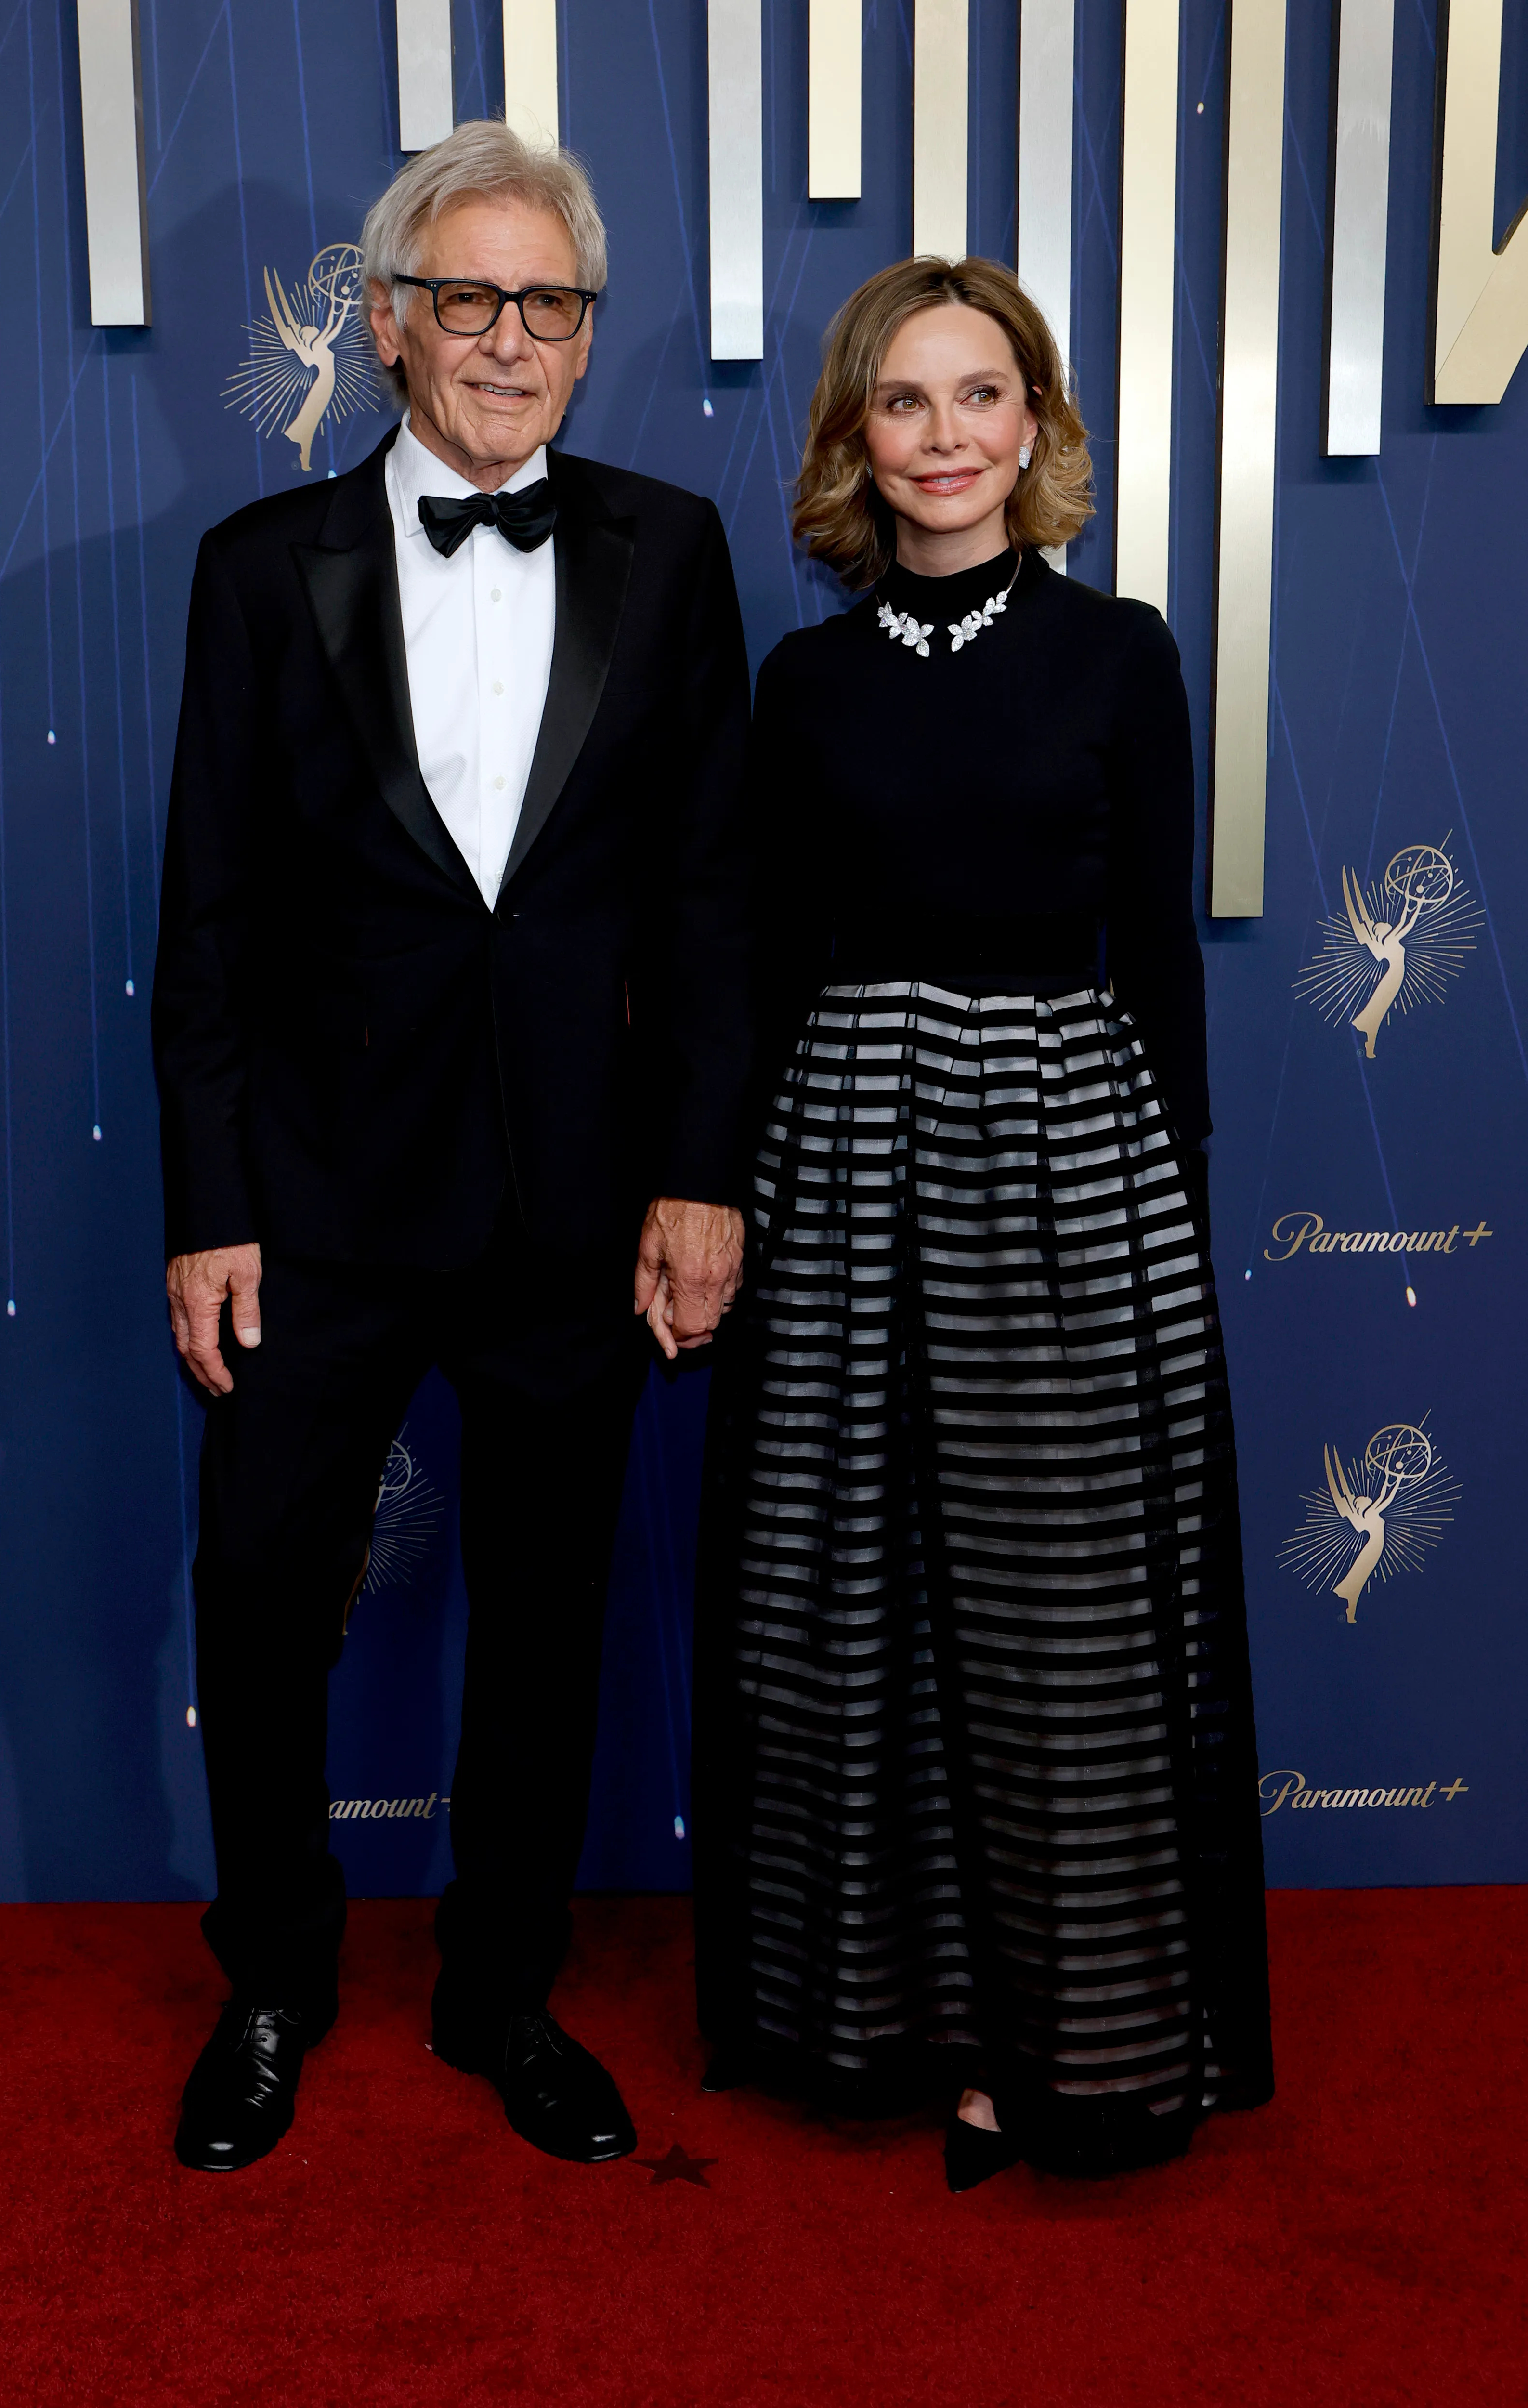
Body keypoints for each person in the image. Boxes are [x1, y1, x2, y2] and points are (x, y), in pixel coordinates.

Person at [153, 121, 751, 2174]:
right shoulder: (261, 569)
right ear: (392, 324)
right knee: (252, 1582)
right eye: (472, 298)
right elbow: (207, 918)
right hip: (316, 1199)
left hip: (575, 1201)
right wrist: (210, 1208)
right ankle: (277, 1980)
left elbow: (701, 907)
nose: (511, 339)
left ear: (588, 338)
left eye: (552, 305)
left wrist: (697, 1176)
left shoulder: (675, 553)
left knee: (555, 1604)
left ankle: (502, 1988)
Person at [692, 257, 1272, 2191]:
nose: (948, 436)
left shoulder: (1119, 653)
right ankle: (897, 2021)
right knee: (849, 1594)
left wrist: (1170, 1206)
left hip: (1061, 1148)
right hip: (849, 1148)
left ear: (1034, 427)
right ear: (858, 436)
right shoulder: (808, 680)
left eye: (983, 394)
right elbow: (763, 959)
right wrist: (721, 1192)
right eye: (907, 401)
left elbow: (1161, 957)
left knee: (1062, 1615)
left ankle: (1073, 2036)